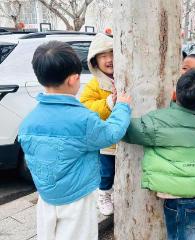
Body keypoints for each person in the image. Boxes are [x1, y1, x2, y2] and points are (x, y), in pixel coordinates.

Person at [18, 41, 131, 240]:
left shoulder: (28, 121)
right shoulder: (82, 119)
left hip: (46, 198)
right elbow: (112, 133)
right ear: (74, 79)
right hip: (77, 198)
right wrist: (122, 106)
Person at [124, 69, 195, 240]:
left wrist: (117, 106)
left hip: (179, 199)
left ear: (174, 95)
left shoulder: (158, 121)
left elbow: (126, 130)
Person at [80, 33, 117, 215]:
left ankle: (113, 193)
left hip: (126, 136)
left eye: (112, 54)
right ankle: (103, 194)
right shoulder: (94, 84)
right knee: (106, 172)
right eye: (103, 56)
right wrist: (108, 103)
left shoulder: (125, 76)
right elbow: (86, 107)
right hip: (106, 141)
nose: (109, 59)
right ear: (95, 61)